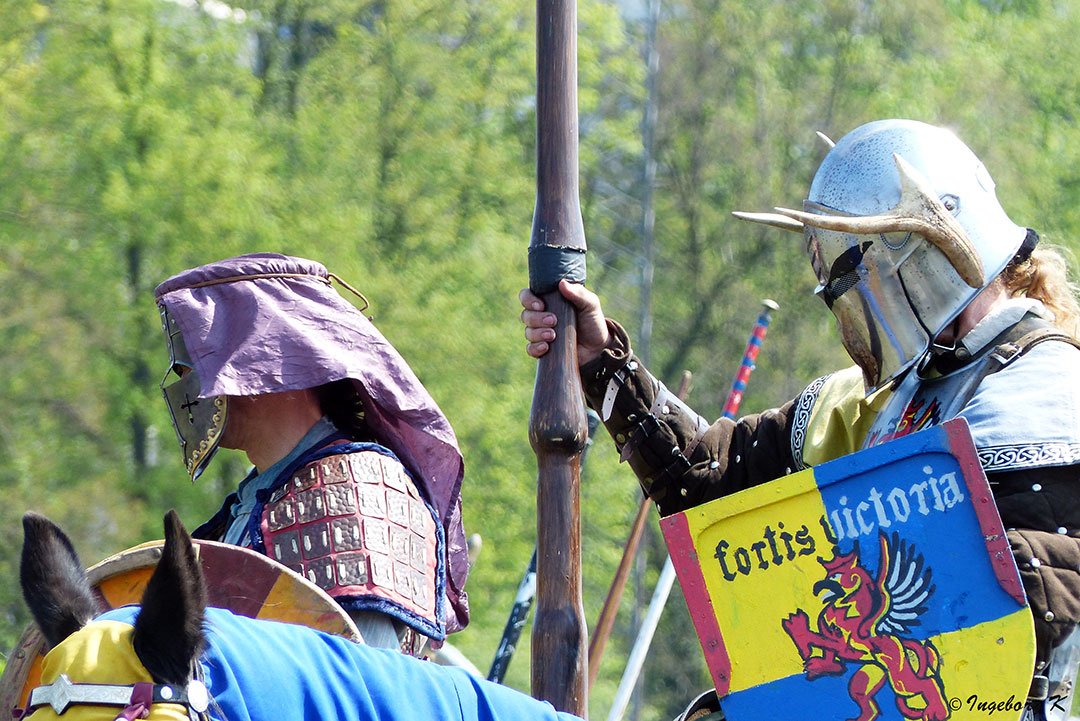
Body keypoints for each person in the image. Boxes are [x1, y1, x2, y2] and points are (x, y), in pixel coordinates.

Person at [521, 119, 1080, 709]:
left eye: (853, 277)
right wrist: (604, 364)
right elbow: (711, 485)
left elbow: (1006, 604)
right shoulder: (873, 402)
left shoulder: (1048, 391)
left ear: (918, 247)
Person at [154, 252, 469, 656]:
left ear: (266, 366)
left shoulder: (355, 490)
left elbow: (366, 684)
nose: (187, 383)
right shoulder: (259, 499)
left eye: (197, 364)